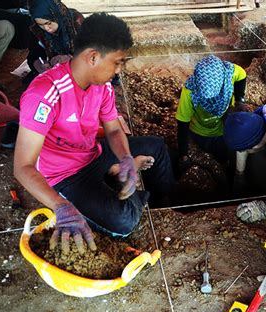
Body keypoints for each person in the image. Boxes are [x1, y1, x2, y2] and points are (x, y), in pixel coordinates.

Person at [14, 13, 175, 254]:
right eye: (117, 62)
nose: (119, 70)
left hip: (93, 154)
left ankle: (164, 204)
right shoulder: (45, 94)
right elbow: (23, 166)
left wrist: (125, 159)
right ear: (93, 57)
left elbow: (113, 129)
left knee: (157, 147)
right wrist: (61, 207)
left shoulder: (103, 87)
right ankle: (116, 185)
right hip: (65, 175)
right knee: (125, 222)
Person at [175, 55, 247, 166]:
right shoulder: (190, 91)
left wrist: (240, 100)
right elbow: (183, 123)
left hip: (225, 124)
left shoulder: (229, 73)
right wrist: (183, 154)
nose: (212, 101)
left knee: (224, 156)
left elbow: (242, 75)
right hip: (201, 131)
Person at [26, 0, 83, 82]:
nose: (46, 28)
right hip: (57, 76)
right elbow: (34, 54)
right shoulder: (37, 29)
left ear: (56, 15)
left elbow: (94, 52)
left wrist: (71, 59)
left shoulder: (76, 21)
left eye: (48, 23)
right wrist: (40, 64)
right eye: (41, 24)